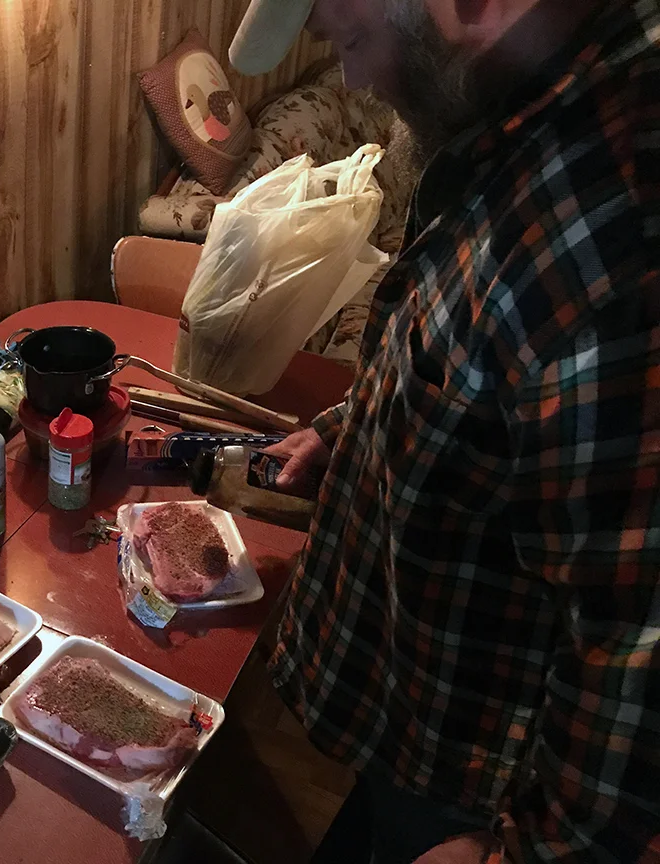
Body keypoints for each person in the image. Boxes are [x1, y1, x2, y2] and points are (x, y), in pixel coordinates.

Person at [231, 0, 660, 862]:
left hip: (486, 795)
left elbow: (638, 638)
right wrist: (348, 429)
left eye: (353, 41)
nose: (354, 79)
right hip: (418, 731)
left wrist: (522, 854)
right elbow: (462, 346)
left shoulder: (620, 238)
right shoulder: (517, 110)